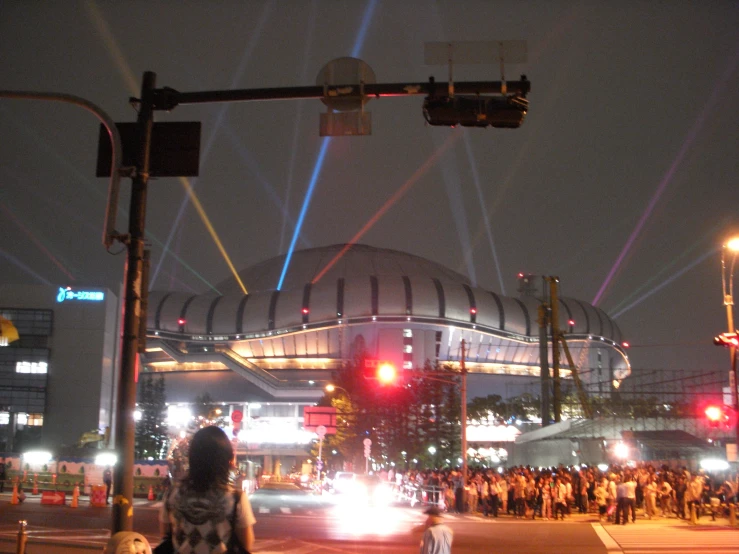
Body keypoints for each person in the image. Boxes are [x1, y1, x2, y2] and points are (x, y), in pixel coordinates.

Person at [159, 426, 256, 553]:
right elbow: (247, 543)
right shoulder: (235, 498)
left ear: (192, 457)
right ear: (226, 460)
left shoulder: (172, 494)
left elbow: (165, 534)